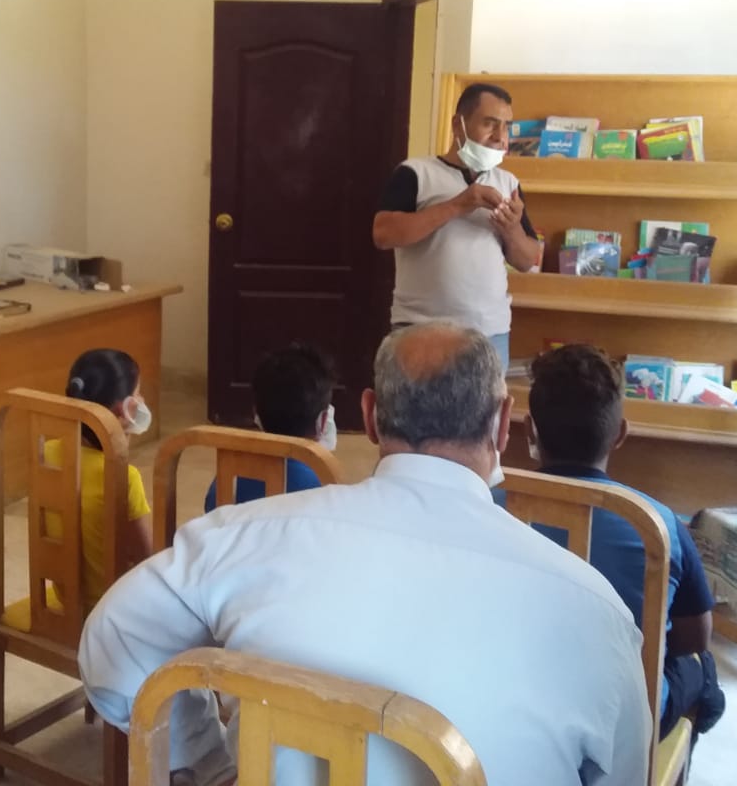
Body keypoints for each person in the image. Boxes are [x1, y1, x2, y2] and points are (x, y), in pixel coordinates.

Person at [79, 323, 650, 785]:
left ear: (371, 417)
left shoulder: (244, 533)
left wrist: (204, 759)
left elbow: (114, 635)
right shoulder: (592, 607)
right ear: (503, 425)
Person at [525, 344, 726, 744]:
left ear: (531, 429)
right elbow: (695, 637)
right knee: (702, 666)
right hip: (627, 721)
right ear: (620, 434)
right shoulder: (660, 523)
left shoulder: (491, 503)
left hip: (521, 698)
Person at [372, 83, 541, 371]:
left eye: (506, 127)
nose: (500, 137)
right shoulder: (415, 173)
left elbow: (528, 261)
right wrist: (458, 205)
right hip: (420, 331)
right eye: (489, 123)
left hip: (490, 334)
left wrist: (512, 229)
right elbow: (384, 235)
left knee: (487, 403)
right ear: (457, 124)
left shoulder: (508, 183)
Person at [1, 348, 154, 629]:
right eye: (138, 393)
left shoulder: (48, 455)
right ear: (124, 410)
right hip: (113, 614)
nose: (143, 400)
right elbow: (148, 561)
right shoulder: (124, 477)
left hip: (65, 602)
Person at [203, 343, 334, 512]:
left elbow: (211, 509)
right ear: (322, 422)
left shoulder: (228, 478)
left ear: (256, 413)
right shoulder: (325, 487)